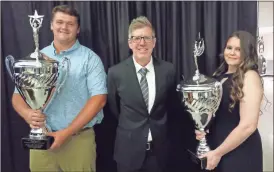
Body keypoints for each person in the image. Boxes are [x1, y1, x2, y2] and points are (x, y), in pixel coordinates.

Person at [11, 5, 107, 172]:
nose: (64, 27)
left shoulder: (90, 59)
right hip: (42, 139)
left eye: (70, 24)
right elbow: (17, 95)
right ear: (51, 25)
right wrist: (28, 114)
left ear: (78, 29)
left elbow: (99, 99)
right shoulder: (37, 57)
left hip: (78, 141)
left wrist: (67, 132)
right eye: (60, 22)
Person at [107, 16, 179, 172]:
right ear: (130, 43)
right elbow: (114, 109)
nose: (142, 43)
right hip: (128, 153)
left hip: (160, 153)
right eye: (137, 38)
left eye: (146, 38)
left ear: (154, 42)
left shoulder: (168, 70)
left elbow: (173, 107)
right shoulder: (115, 73)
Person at [195, 30, 263, 172]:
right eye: (229, 47)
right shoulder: (220, 76)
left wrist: (218, 152)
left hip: (239, 152)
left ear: (247, 53)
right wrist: (205, 128)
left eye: (238, 49)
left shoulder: (249, 76)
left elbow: (248, 125)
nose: (232, 53)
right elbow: (221, 115)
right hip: (219, 149)